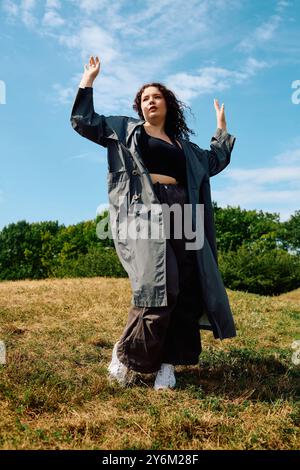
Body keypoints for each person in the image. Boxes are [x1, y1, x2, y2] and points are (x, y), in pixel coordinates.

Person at [70, 55, 237, 391]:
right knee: (158, 287)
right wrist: (88, 80)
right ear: (140, 106)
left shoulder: (186, 148)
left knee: (186, 290)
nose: (150, 102)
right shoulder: (125, 131)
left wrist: (221, 127)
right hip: (145, 212)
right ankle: (126, 354)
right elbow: (83, 120)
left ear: (167, 105)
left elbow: (215, 160)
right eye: (145, 98)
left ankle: (166, 365)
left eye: (156, 96)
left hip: (184, 214)